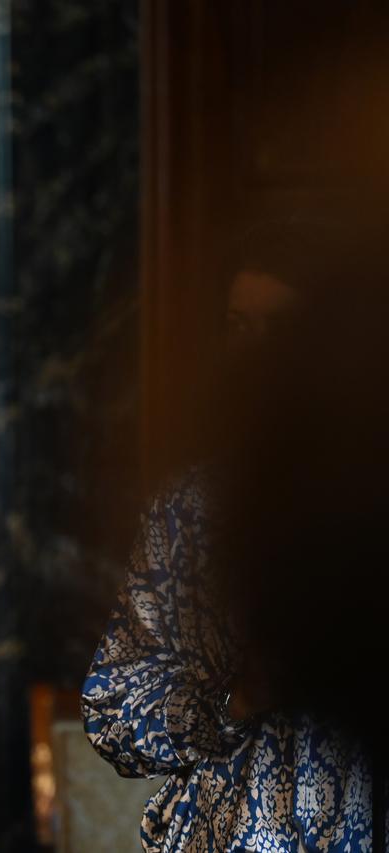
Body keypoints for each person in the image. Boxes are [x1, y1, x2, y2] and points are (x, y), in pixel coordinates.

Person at [81, 219, 377, 851]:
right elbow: (112, 710)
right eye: (239, 326)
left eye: (281, 331)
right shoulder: (192, 505)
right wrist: (230, 699)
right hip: (239, 829)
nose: (256, 354)